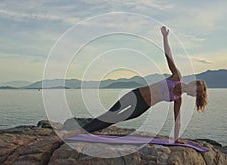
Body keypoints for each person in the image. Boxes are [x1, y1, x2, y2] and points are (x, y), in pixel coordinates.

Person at [58, 26, 208, 143]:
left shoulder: (177, 99)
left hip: (141, 107)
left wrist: (176, 139)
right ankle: (76, 132)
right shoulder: (177, 76)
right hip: (135, 94)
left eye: (197, 94)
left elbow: (177, 120)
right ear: (193, 84)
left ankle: (78, 132)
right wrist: (165, 37)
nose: (195, 93)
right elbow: (168, 56)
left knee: (114, 119)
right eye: (197, 89)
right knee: (108, 114)